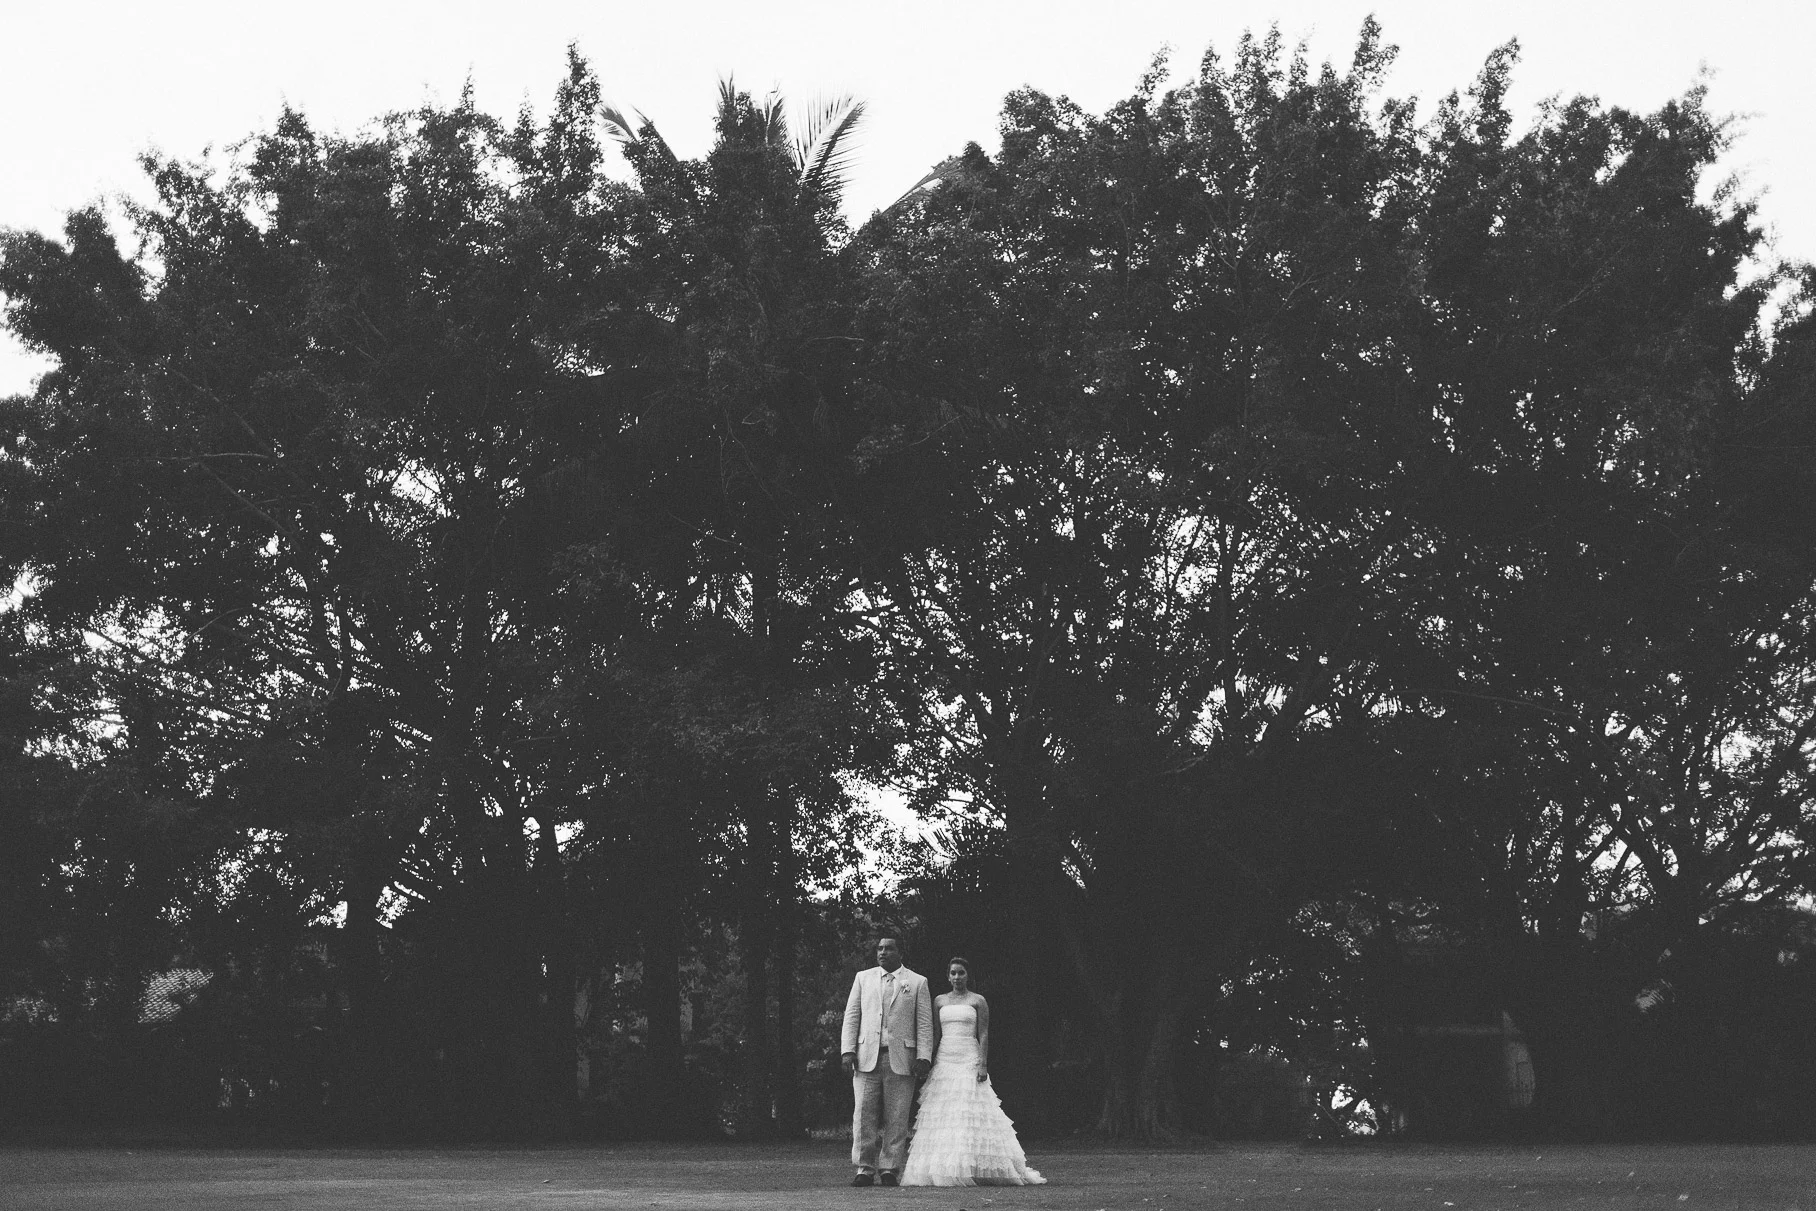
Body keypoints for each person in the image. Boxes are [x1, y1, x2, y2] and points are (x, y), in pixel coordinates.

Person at [899, 957, 1045, 1187]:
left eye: (961, 973)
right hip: (945, 1057)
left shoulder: (978, 1000)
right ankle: (946, 1167)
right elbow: (935, 1034)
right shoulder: (939, 1001)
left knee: (972, 1110)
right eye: (953, 973)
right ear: (948, 976)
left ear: (968, 975)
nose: (957, 977)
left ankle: (976, 1166)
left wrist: (982, 1063)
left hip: (969, 1056)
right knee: (945, 1111)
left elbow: (984, 1033)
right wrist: (926, 1060)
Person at [840, 936, 933, 1187]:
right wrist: (847, 1051)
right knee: (863, 1114)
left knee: (897, 1116)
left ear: (900, 952)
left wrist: (923, 1056)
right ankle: (864, 1168)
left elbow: (924, 1022)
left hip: (902, 1058)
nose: (883, 952)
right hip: (866, 1057)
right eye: (879, 948)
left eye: (889, 948)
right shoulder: (863, 978)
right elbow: (852, 1015)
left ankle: (890, 1168)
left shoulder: (917, 982)